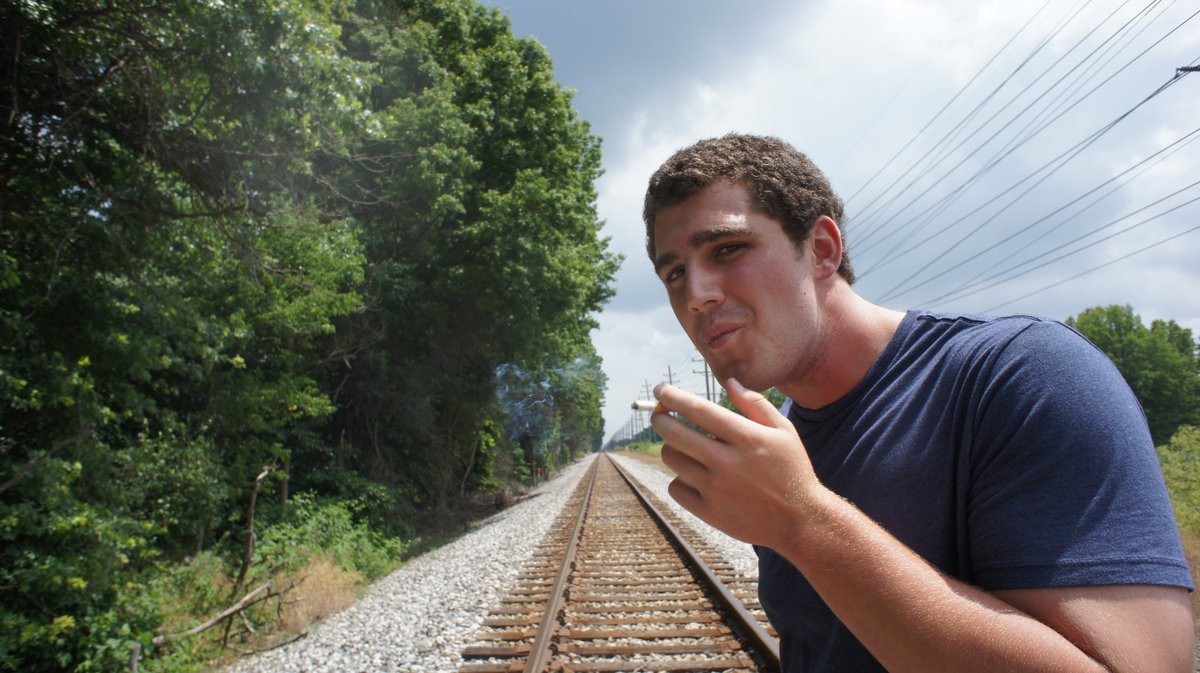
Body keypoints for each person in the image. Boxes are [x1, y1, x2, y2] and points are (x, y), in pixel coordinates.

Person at [643, 134, 1195, 673]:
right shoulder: (781, 441)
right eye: (675, 273)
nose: (697, 295)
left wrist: (804, 520)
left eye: (728, 249)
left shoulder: (1026, 375)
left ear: (822, 250)